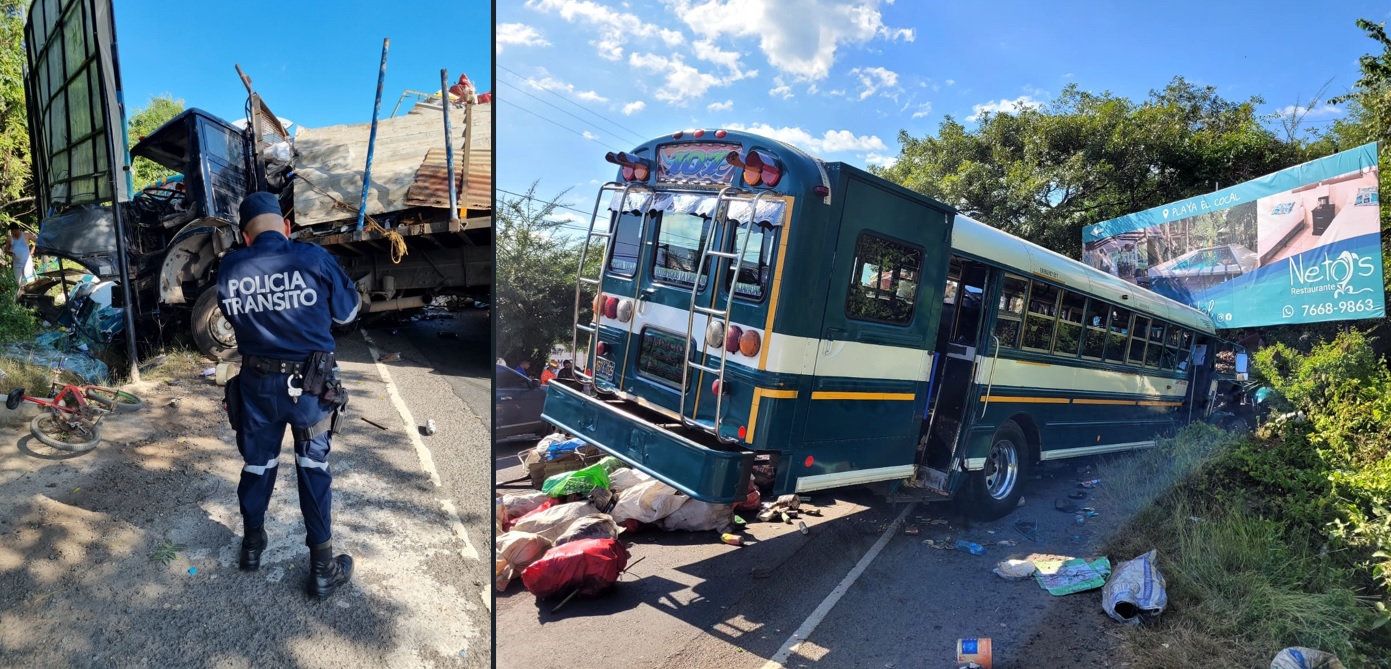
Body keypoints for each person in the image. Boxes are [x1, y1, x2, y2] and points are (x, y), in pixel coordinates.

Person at [217, 192, 361, 599]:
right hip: (310, 390)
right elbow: (348, 314)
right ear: (285, 227)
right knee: (312, 468)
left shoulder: (229, 267)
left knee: (258, 465)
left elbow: (232, 317)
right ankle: (321, 568)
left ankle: (251, 545)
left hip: (256, 386)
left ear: (245, 236)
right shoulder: (312, 258)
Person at [6, 223, 36, 290]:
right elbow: (6, 248)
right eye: (12, 231)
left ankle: (33, 292)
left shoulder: (26, 235)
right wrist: (8, 252)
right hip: (17, 263)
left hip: (27, 261)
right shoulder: (10, 238)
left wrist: (32, 250)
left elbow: (38, 241)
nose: (13, 233)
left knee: (28, 276)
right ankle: (24, 296)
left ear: (18, 229)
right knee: (20, 282)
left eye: (15, 231)